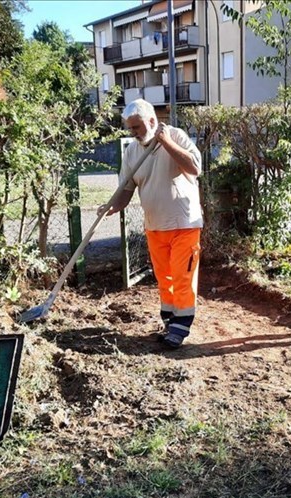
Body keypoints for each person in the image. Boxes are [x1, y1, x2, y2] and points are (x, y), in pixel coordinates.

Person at [98, 99, 203, 348]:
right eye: (130, 128)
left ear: (153, 121)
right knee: (164, 277)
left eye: (137, 127)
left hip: (183, 223)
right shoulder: (132, 151)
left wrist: (166, 143)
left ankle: (181, 327)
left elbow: (195, 167)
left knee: (182, 277)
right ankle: (170, 321)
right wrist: (112, 206)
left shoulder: (176, 136)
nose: (133, 133)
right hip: (154, 225)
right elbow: (126, 188)